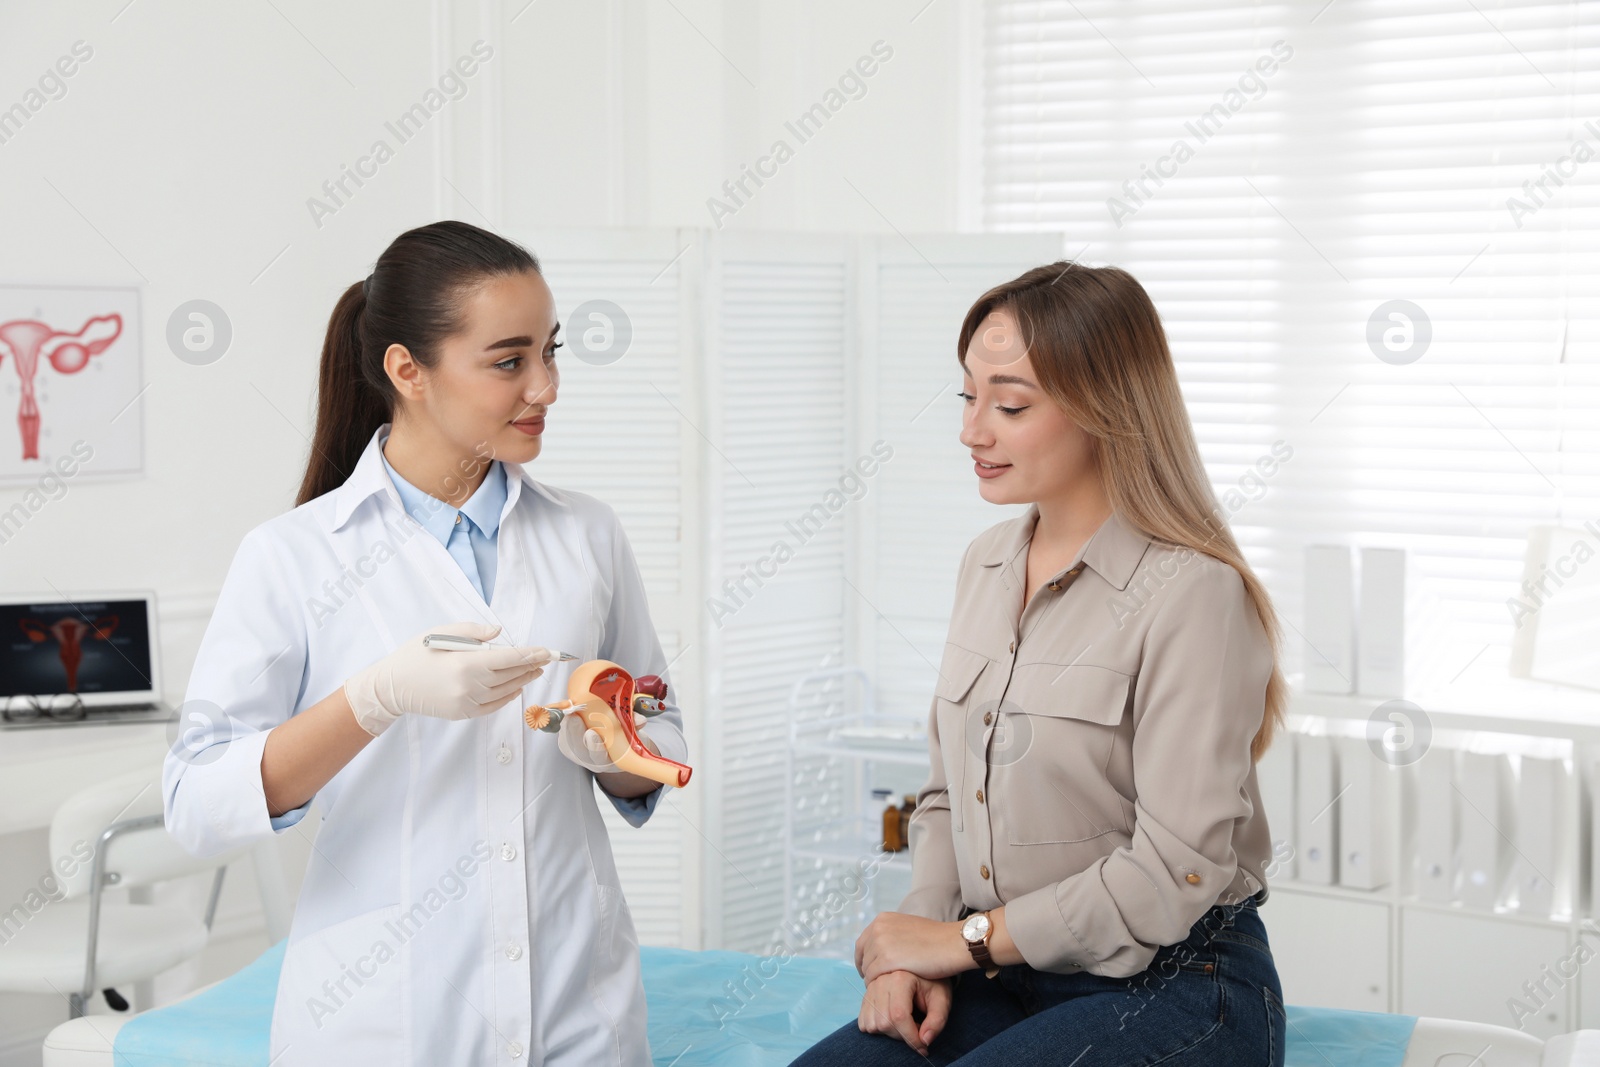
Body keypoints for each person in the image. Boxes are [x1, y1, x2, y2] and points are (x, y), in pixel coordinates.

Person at [162, 220, 687, 1065]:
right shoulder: (294, 555)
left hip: (577, 1009)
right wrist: (372, 700)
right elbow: (195, 799)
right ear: (407, 370)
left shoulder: (588, 533)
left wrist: (612, 743)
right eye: (509, 361)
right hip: (384, 1020)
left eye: (552, 352)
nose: (546, 386)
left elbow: (659, 734)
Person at [792, 262, 1289, 1066]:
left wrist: (960, 942)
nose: (972, 430)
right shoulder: (986, 564)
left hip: (1179, 981)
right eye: (968, 396)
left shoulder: (1195, 594)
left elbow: (1174, 871)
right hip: (1006, 973)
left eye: (1010, 404)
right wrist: (909, 949)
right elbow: (946, 796)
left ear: (1106, 410)